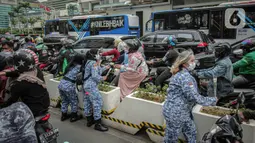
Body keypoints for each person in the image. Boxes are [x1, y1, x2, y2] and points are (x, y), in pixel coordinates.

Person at [163, 50, 217, 143]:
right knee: (171, 139)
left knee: (191, 131)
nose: (194, 63)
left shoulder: (183, 74)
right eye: (192, 61)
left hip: (182, 112)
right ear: (184, 63)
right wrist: (212, 100)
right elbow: (193, 97)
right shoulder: (185, 77)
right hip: (176, 113)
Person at [0, 49, 50, 116]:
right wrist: (4, 73)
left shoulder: (19, 84)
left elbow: (11, 101)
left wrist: (1, 107)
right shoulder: (35, 71)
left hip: (31, 112)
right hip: (44, 104)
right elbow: (20, 73)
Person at [83, 49, 109, 132]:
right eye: (98, 53)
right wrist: (102, 78)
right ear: (93, 55)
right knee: (97, 102)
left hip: (86, 87)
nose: (99, 55)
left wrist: (105, 67)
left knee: (87, 102)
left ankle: (89, 121)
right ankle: (98, 124)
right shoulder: (93, 63)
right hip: (91, 86)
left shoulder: (89, 62)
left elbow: (96, 71)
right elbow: (95, 76)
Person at [58, 54, 83, 122]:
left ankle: (63, 115)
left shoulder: (70, 65)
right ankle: (73, 116)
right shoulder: (79, 67)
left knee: (64, 100)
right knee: (74, 101)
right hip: (69, 86)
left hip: (61, 84)